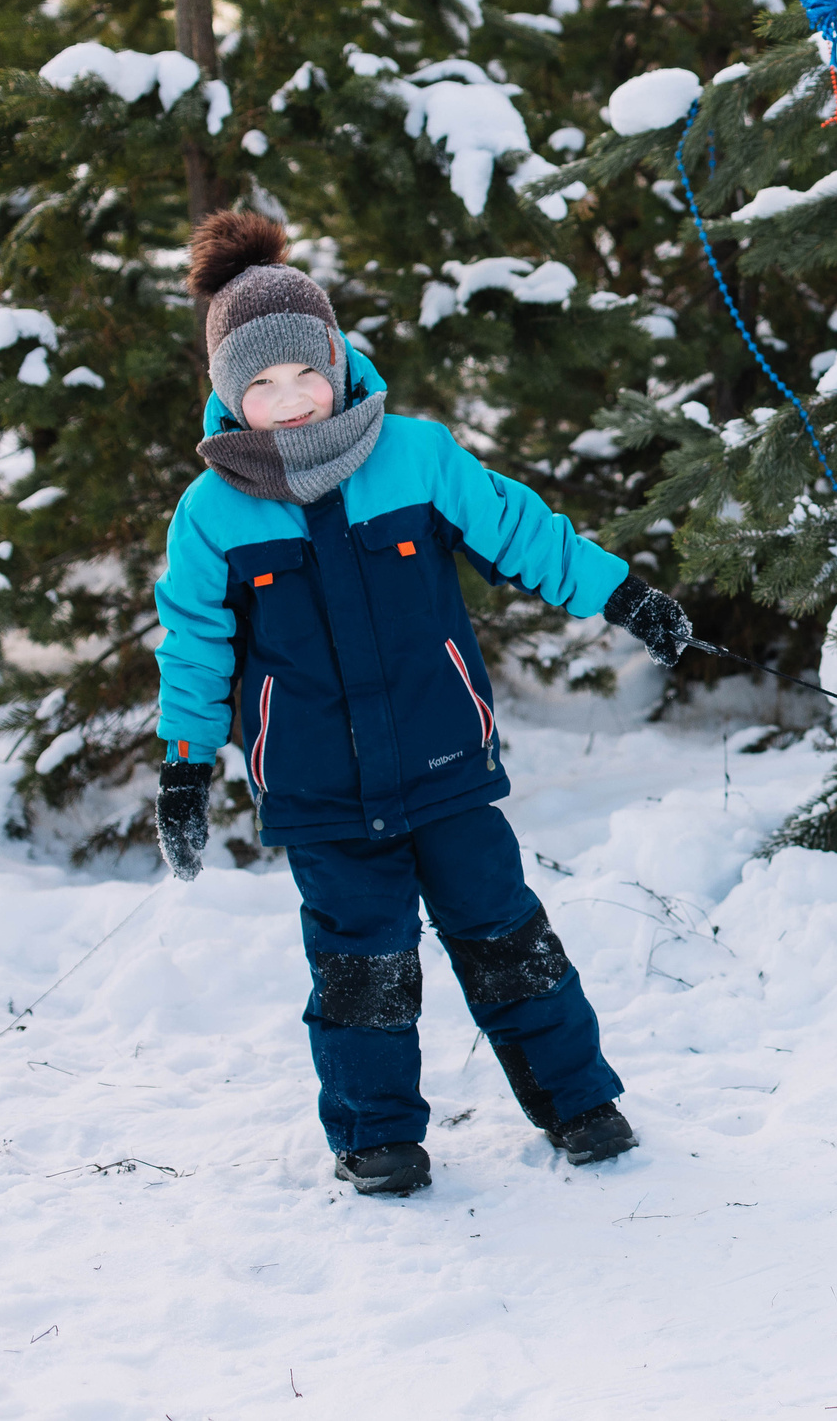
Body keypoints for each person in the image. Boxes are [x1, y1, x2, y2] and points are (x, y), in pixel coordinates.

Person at [151, 211, 703, 1195]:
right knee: (361, 970)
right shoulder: (214, 510)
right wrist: (187, 768)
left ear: (336, 357)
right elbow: (195, 648)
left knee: (509, 940)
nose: (290, 400)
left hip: (444, 760)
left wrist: (622, 594)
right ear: (229, 393)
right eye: (261, 384)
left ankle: (579, 1104)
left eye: (305, 373)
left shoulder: (412, 455)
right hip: (321, 789)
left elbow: (520, 533)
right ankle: (375, 1137)